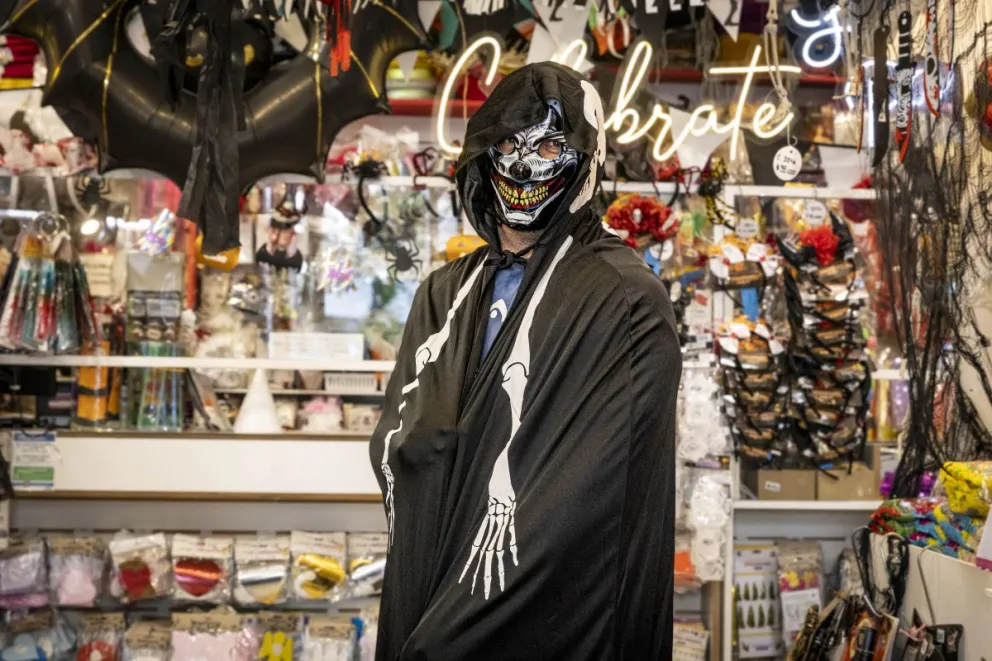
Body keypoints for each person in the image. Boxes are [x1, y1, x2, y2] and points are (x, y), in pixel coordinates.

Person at [369, 62, 680, 660]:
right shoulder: (445, 292)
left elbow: (587, 494)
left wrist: (454, 632)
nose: (523, 164)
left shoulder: (621, 297)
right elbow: (403, 446)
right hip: (426, 586)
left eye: (548, 145)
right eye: (509, 142)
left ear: (584, 156)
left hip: (552, 620)